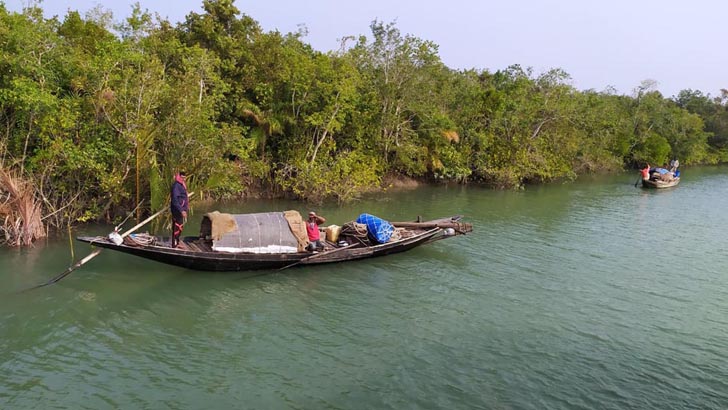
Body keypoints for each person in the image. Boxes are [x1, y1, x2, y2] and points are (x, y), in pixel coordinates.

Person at [170, 171, 189, 248]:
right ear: (179, 177)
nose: (183, 179)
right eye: (182, 177)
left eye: (184, 178)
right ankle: (175, 244)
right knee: (177, 226)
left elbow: (183, 197)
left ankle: (176, 241)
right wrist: (181, 210)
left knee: (179, 226)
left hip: (180, 209)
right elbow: (175, 199)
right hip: (177, 210)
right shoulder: (176, 186)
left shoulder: (181, 185)